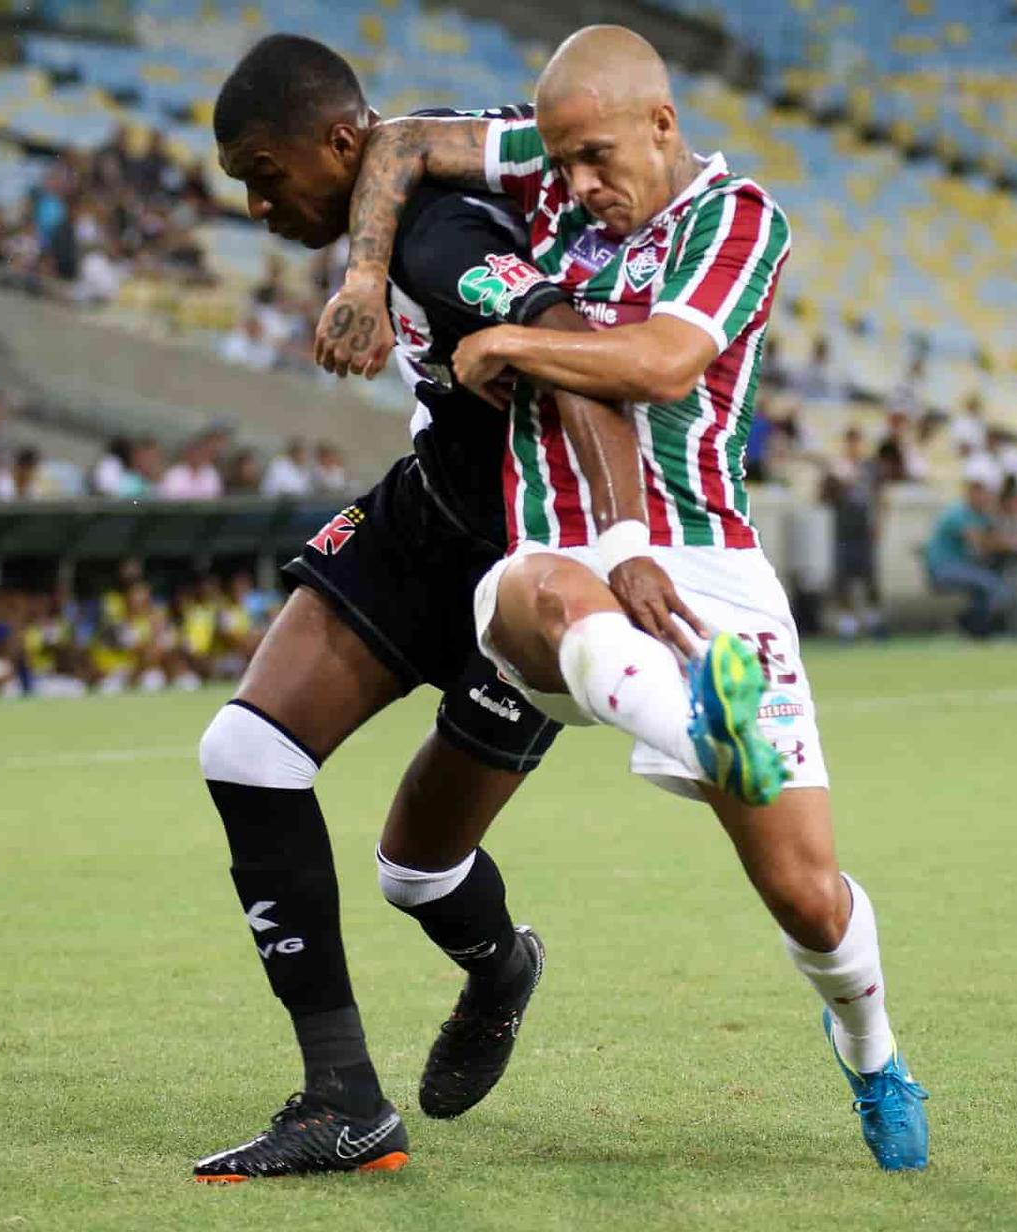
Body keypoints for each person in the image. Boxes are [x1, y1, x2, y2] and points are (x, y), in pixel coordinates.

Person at [314, 24, 930, 1172]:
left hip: (706, 561)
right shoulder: (546, 162)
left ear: (662, 122)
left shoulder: (741, 219)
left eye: (598, 157)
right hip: (556, 551)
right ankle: (700, 726)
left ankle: (875, 1052)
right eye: (561, 161)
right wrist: (362, 271)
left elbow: (657, 364)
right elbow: (393, 143)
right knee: (535, 597)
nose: (578, 185)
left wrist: (506, 339)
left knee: (807, 896)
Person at [193, 35, 662, 1182]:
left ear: (335, 144)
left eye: (265, 173)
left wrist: (617, 550)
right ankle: (343, 1098)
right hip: (428, 512)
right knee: (246, 751)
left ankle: (500, 966)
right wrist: (360, 273)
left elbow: (577, 355)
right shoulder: (392, 187)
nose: (259, 205)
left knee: (417, 870)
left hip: (528, 563)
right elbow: (400, 141)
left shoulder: (444, 237)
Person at [820, 427, 884, 640]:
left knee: (870, 576)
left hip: (863, 527)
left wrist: (879, 523)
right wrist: (840, 483)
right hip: (844, 528)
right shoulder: (837, 469)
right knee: (844, 579)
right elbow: (824, 496)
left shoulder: (869, 468)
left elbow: (879, 496)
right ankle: (848, 625)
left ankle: (875, 622)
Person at [925, 477, 1008, 637]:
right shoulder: (957, 513)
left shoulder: (980, 515)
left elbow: (994, 537)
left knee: (984, 590)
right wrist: (1011, 543)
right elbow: (980, 542)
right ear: (971, 495)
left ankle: (974, 627)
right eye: (981, 495)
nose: (985, 499)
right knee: (995, 587)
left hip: (963, 566)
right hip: (945, 568)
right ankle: (972, 625)